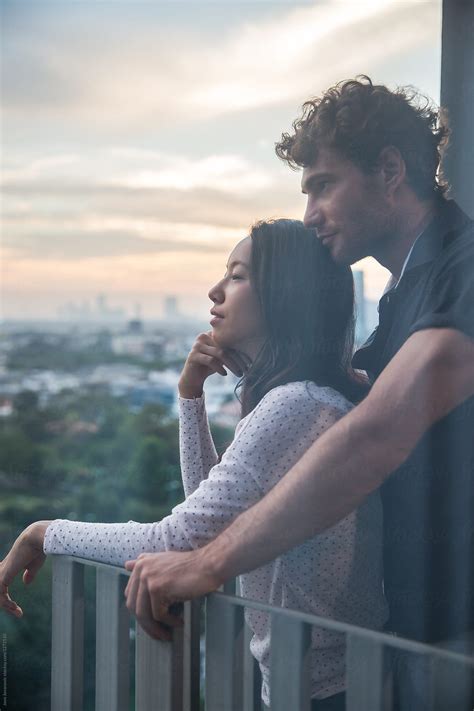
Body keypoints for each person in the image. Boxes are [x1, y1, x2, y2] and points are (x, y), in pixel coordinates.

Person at [111, 78, 474, 709]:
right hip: (420, 640)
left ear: (389, 169)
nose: (309, 215)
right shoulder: (402, 305)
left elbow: (378, 434)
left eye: (322, 186)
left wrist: (209, 564)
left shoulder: (464, 271)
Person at [0, 219, 388, 709]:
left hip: (327, 688)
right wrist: (190, 397)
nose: (215, 290)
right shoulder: (302, 400)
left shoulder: (298, 405)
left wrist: (42, 532)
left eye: (238, 276)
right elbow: (208, 512)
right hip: (317, 681)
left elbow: (177, 539)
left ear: (284, 295)